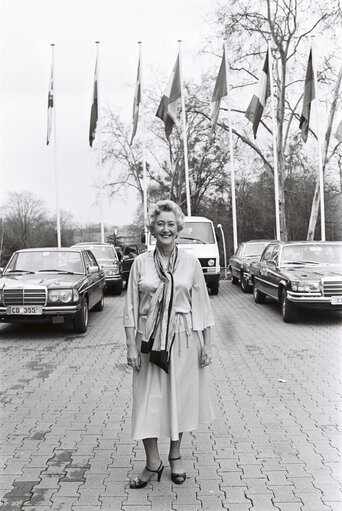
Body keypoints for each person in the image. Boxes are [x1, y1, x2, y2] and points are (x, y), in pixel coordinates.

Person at [123, 199, 215, 489]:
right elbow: (130, 307)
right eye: (160, 224)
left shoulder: (190, 263)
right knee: (147, 402)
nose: (166, 229)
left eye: (171, 224)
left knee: (180, 399)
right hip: (148, 340)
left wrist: (207, 344)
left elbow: (202, 304)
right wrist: (130, 347)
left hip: (184, 337)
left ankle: (175, 457)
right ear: (152, 228)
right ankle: (153, 462)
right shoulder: (141, 263)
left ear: (179, 229)